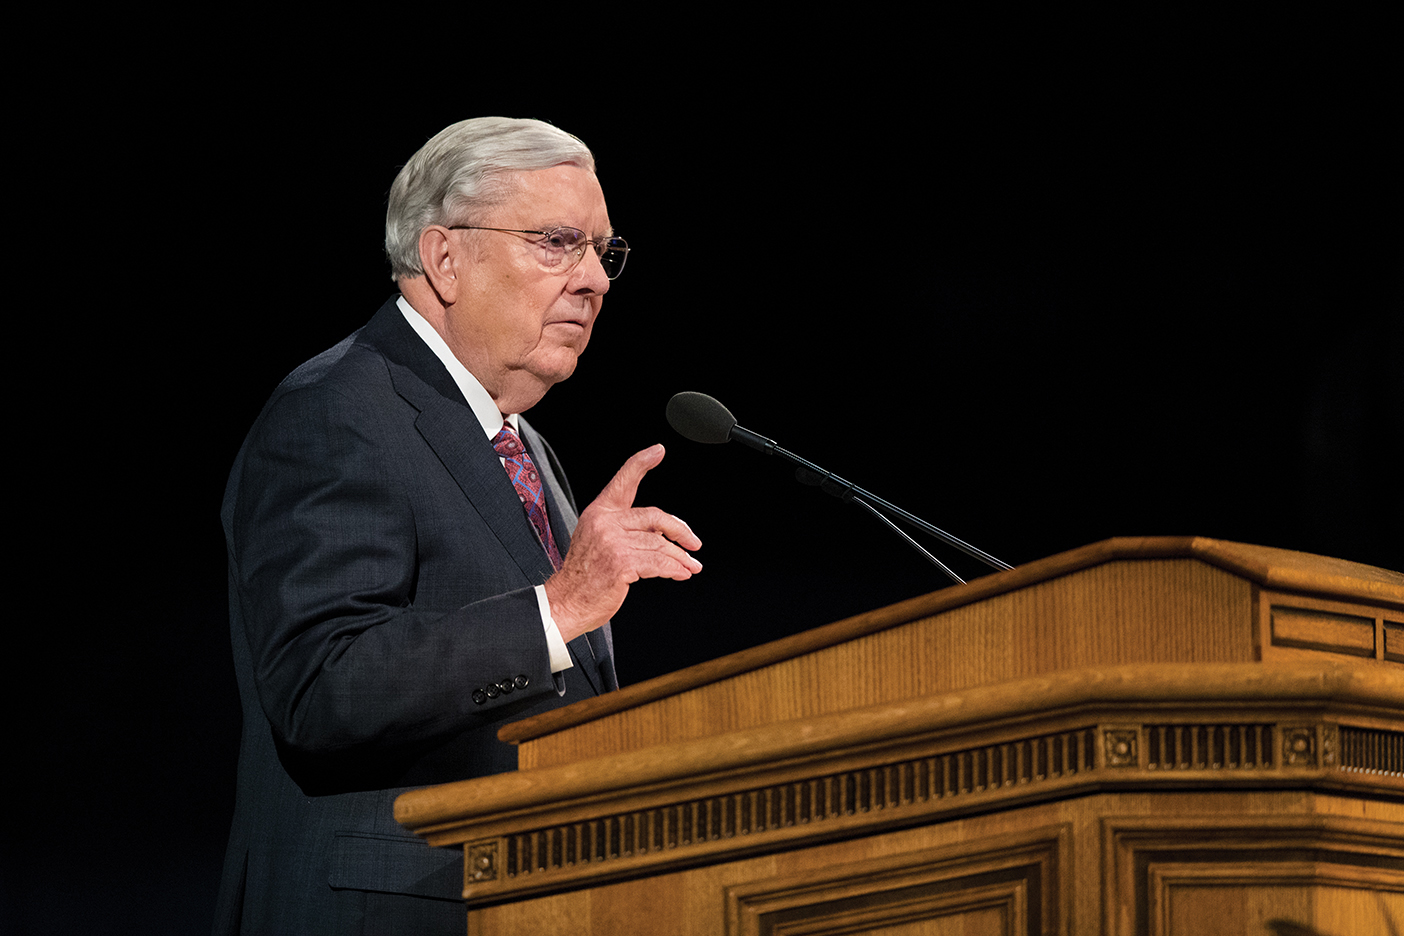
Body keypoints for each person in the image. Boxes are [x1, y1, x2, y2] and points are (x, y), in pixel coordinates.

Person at [212, 117, 702, 935]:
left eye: (603, 252)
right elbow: (322, 686)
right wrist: (556, 609)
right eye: (557, 242)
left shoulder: (521, 443)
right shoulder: (337, 409)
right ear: (444, 258)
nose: (594, 280)